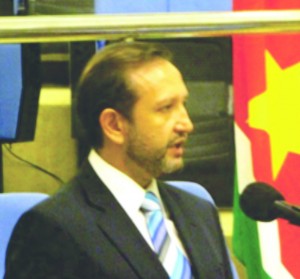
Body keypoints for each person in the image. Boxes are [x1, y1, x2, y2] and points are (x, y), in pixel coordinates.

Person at [4, 41, 234, 279]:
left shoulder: (198, 211)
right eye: (165, 108)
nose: (187, 124)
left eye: (183, 104)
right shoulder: (52, 229)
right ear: (114, 125)